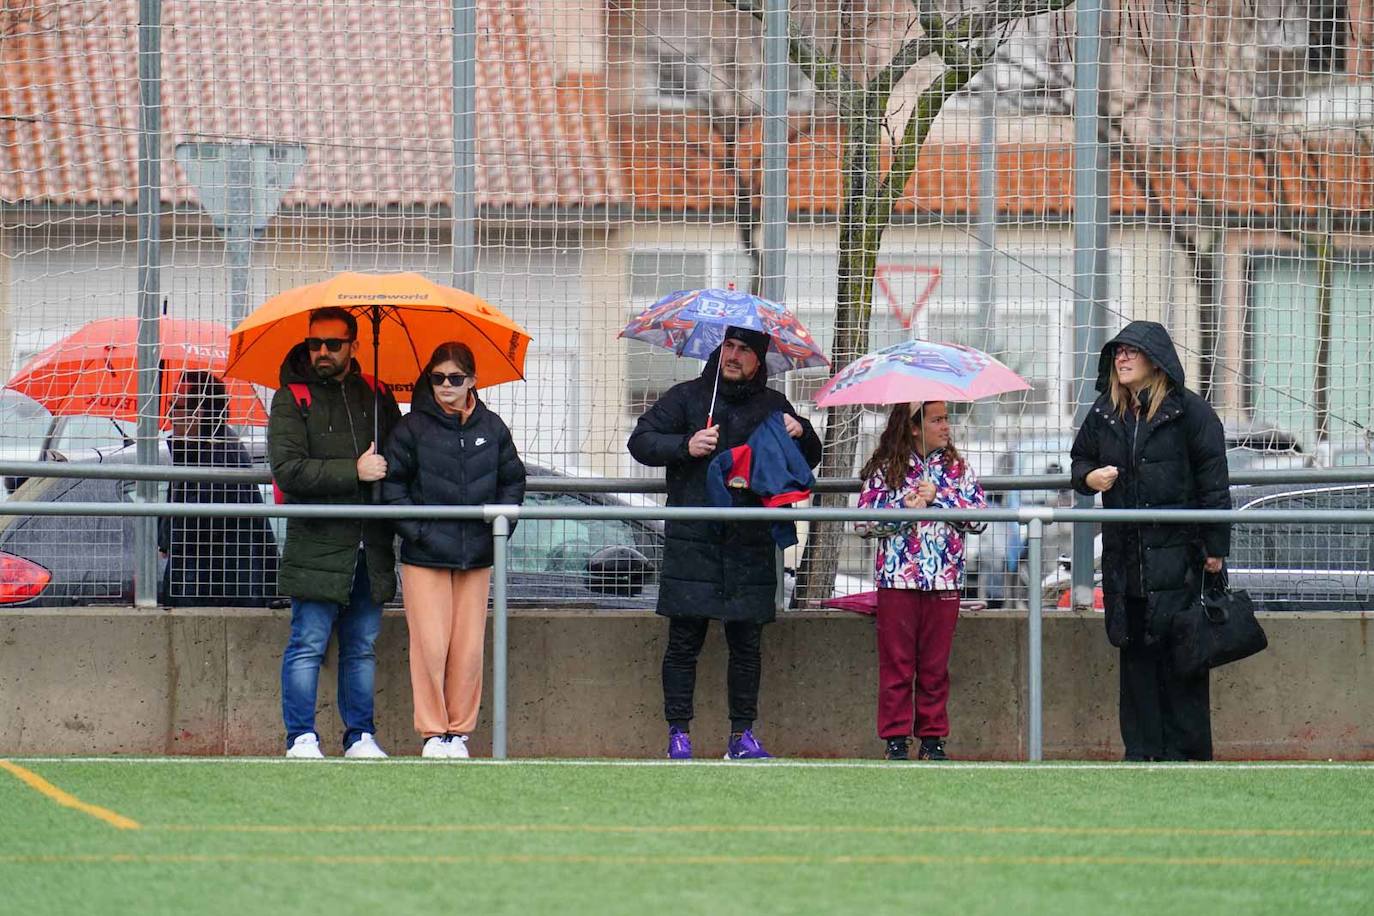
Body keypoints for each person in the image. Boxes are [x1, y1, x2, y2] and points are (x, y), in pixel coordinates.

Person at [628, 326, 821, 760]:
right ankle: (678, 735)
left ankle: (742, 736)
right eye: (728, 347)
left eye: (744, 350)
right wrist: (686, 445)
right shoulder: (687, 397)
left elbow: (810, 456)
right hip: (693, 539)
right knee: (683, 642)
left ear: (760, 360)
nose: (734, 356)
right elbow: (640, 441)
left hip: (750, 543)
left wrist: (800, 430)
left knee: (746, 644)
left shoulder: (774, 405)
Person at [1070, 320, 1230, 762]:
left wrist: (1216, 548)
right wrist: (1089, 476)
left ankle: (1186, 753)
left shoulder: (1191, 413)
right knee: (1135, 656)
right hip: (1127, 562)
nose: (1121, 359)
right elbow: (1078, 460)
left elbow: (1214, 485)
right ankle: (1140, 752)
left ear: (1155, 360)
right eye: (1117, 352)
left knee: (1183, 658)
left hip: (1181, 561)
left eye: (1131, 352)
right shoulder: (1105, 411)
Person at [268, 306, 401, 760]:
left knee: (361, 647)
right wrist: (355, 470)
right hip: (317, 543)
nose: (322, 352)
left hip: (371, 543)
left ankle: (359, 736)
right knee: (307, 641)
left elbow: (399, 458)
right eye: (314, 343)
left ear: (354, 346)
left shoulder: (377, 394)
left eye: (333, 344)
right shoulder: (292, 397)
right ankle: (300, 737)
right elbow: (287, 471)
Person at [382, 342, 526, 759]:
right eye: (439, 377)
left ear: (473, 381)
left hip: (477, 554)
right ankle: (432, 733)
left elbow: (513, 481)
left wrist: (500, 526)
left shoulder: (493, 427)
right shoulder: (410, 429)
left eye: (456, 378)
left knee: (467, 648)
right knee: (429, 645)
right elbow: (393, 489)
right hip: (424, 555)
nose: (447, 385)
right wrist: (420, 531)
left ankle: (458, 733)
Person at [856, 401, 986, 761]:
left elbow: (979, 517)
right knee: (897, 664)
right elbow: (863, 522)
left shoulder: (957, 468)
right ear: (914, 427)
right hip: (898, 581)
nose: (946, 426)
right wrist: (904, 509)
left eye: (947, 419)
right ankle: (895, 739)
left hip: (944, 582)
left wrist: (939, 499)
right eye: (937, 420)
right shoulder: (886, 469)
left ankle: (932, 739)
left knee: (935, 667)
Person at [159, 371, 277, 607]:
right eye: (171, 404)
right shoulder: (195, 449)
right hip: (210, 585)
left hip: (219, 588)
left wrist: (166, 536)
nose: (170, 413)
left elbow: (194, 523)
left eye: (177, 406)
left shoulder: (220, 455)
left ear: (200, 412)